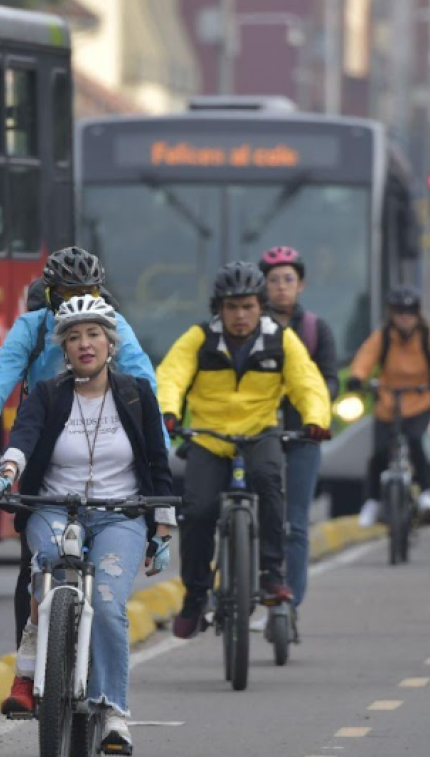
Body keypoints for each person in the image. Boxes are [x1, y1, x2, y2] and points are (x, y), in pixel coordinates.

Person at [0, 295, 174, 755]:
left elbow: (156, 464)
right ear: (63, 348)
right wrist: (5, 474)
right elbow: (21, 440)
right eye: (74, 337)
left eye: (94, 335)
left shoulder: (134, 394)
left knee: (106, 602)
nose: (85, 344)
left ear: (111, 343)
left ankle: (113, 714)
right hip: (52, 508)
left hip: (118, 513)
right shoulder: (47, 394)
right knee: (45, 569)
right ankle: (32, 660)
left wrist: (162, 527)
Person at [0, 246, 164, 648]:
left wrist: (158, 458)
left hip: (103, 447)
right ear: (50, 293)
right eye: (66, 293)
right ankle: (27, 665)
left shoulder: (111, 324)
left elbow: (145, 386)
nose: (76, 302)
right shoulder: (33, 328)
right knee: (32, 567)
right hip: (42, 442)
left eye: (86, 291)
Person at [157, 261, 331, 639]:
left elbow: (307, 382)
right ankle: (196, 594)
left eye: (248, 306)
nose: (240, 315)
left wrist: (316, 418)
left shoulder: (281, 339)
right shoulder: (198, 338)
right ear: (218, 308)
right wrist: (167, 412)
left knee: (270, 484)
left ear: (261, 306)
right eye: (232, 307)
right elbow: (171, 376)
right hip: (208, 437)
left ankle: (272, 576)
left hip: (260, 433)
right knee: (199, 510)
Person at [258, 246, 338, 628]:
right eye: (273, 280)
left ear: (301, 285)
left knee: (295, 523)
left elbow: (330, 378)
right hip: (256, 434)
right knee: (251, 515)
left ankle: (288, 605)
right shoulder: (248, 324)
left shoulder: (314, 329)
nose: (280, 287)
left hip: (302, 435)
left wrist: (316, 411)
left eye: (288, 279)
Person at [348, 285, 430, 527]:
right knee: (379, 453)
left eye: (409, 312)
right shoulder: (384, 337)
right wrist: (357, 378)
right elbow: (364, 360)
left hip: (420, 400)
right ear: (391, 314)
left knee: (415, 441)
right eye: (399, 312)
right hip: (389, 402)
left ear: (418, 314)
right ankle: (373, 501)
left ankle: (429, 492)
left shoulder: (429, 337)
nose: (405, 318)